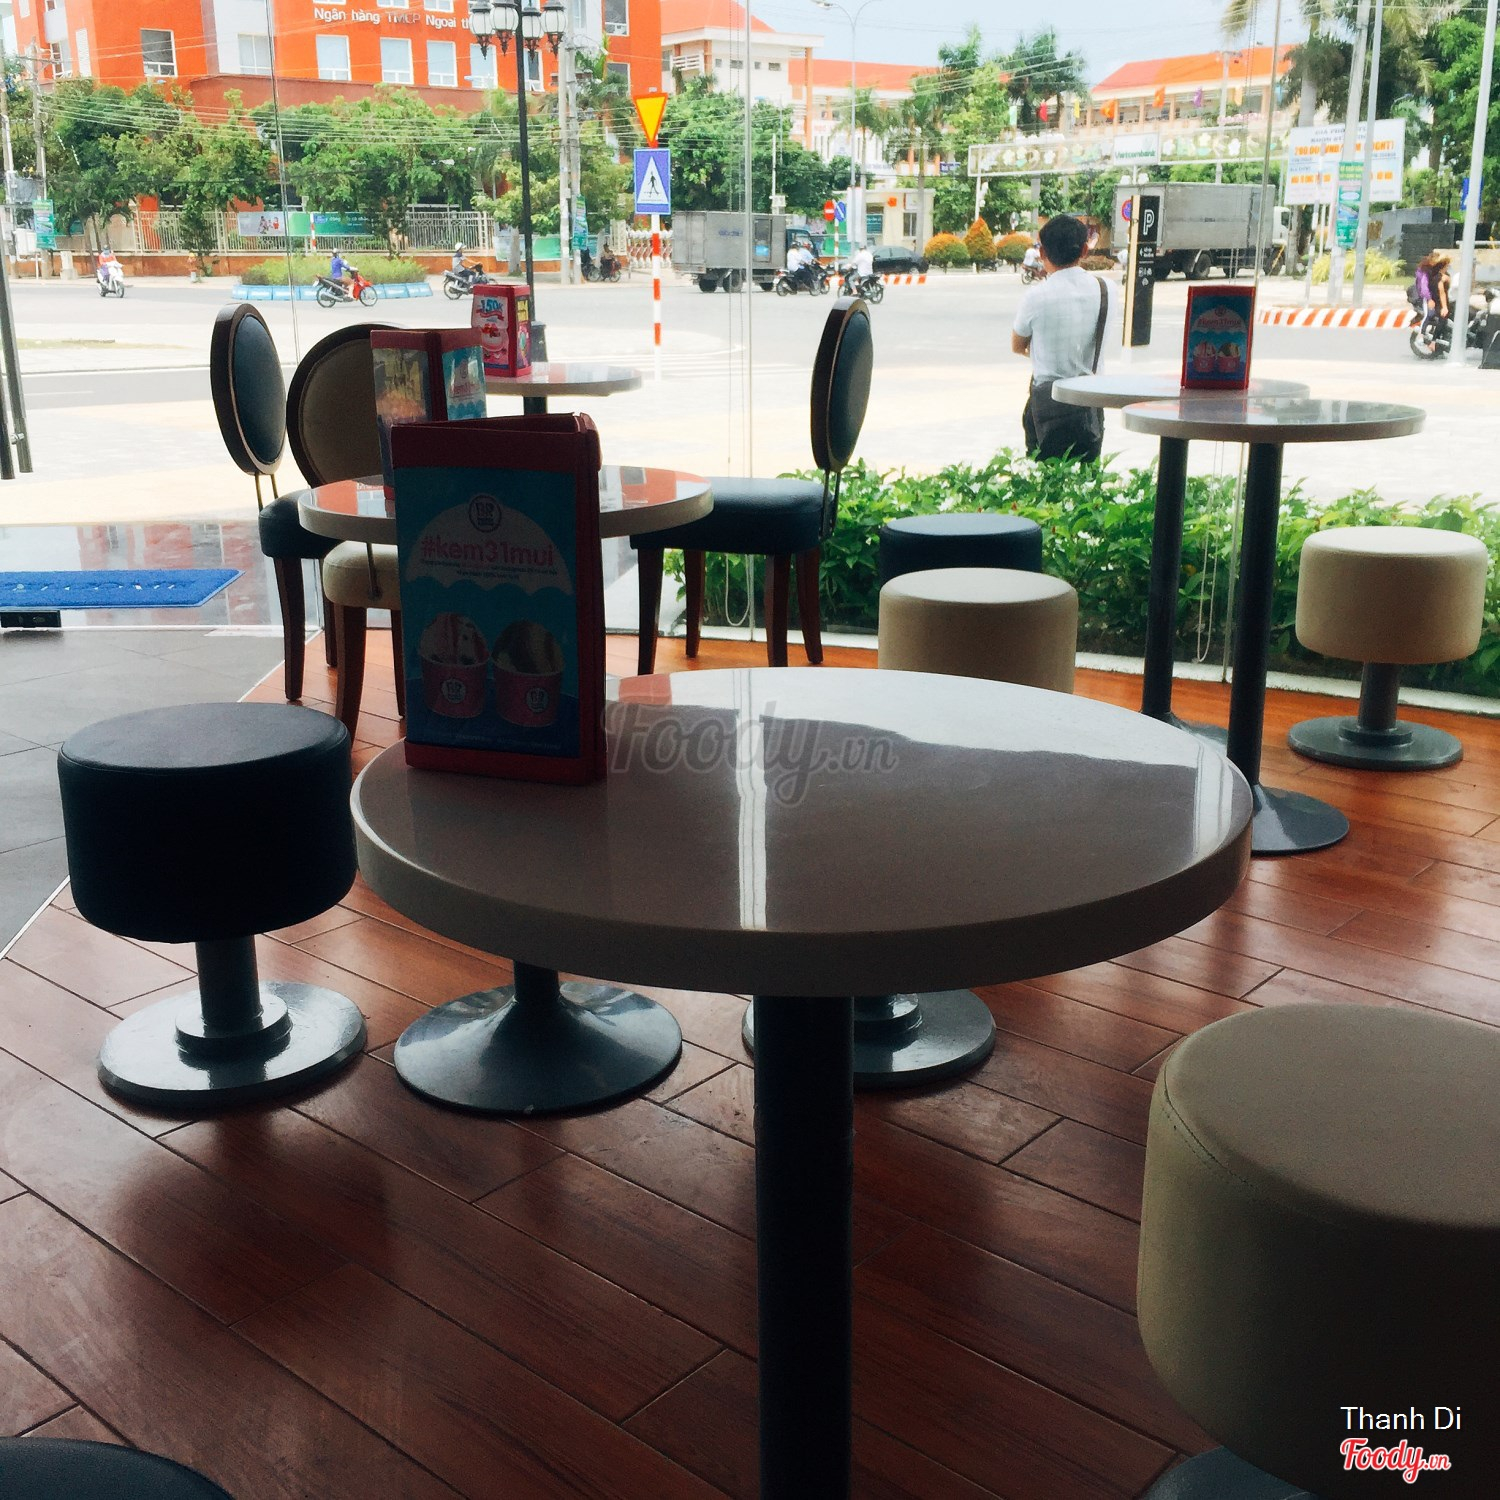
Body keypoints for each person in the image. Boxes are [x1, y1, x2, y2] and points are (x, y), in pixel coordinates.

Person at [1011, 213, 1119, 462]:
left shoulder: (1036, 296)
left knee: (1046, 477)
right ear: (1084, 250)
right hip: (1090, 401)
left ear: (1042, 253)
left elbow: (1017, 346)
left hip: (1047, 404)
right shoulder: (1107, 289)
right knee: (1087, 476)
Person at [1414, 249, 1452, 340]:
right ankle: (1421, 334)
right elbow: (1424, 287)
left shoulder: (1441, 273)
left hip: (1436, 297)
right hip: (1426, 296)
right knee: (1429, 314)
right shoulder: (1426, 271)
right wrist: (1429, 299)